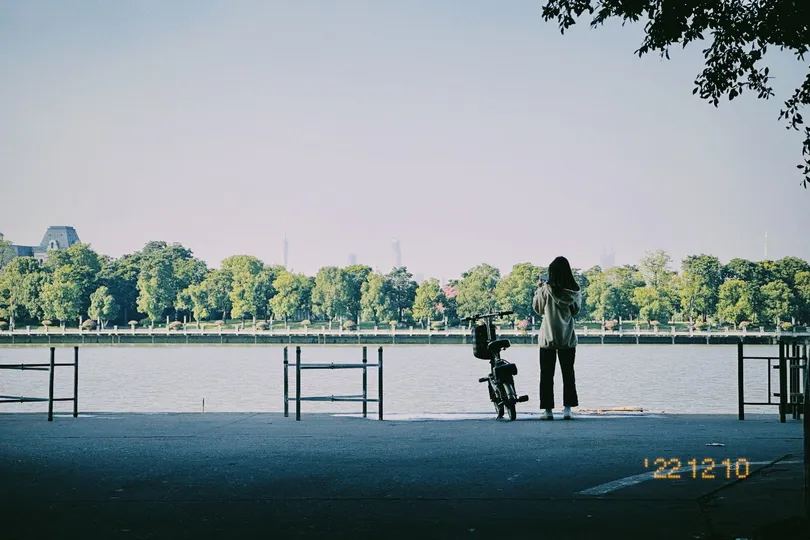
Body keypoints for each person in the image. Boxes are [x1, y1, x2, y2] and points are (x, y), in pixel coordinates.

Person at [532, 256, 582, 420]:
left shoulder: (545, 289)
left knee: (546, 375)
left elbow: (538, 309)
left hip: (548, 338)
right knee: (568, 374)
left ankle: (548, 411)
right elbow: (575, 311)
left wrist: (539, 289)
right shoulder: (574, 291)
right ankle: (567, 409)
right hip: (567, 338)